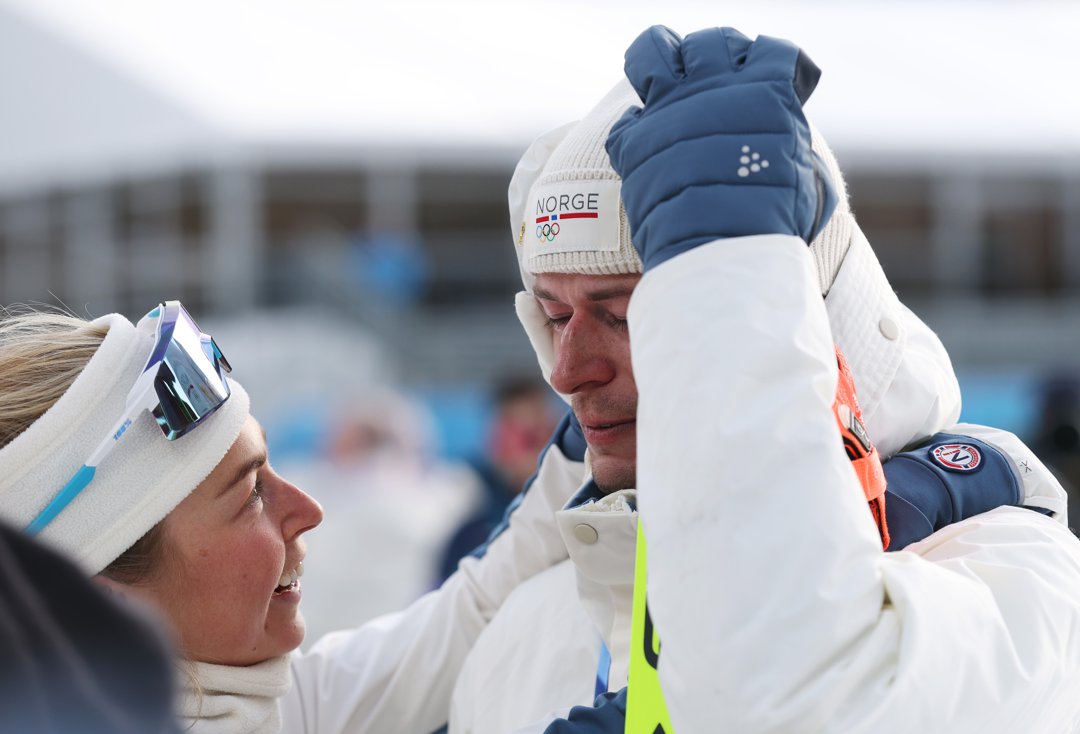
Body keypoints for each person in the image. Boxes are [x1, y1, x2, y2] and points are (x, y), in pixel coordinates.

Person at [444, 30, 1077, 733]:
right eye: (555, 316)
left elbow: (804, 696)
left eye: (628, 316)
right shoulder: (523, 631)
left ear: (794, 313)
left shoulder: (1013, 576)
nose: (567, 369)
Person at [0, 304, 584, 733]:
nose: (309, 509)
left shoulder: (271, 705)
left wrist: (592, 436)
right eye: (251, 494)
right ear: (108, 611)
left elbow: (474, 605)